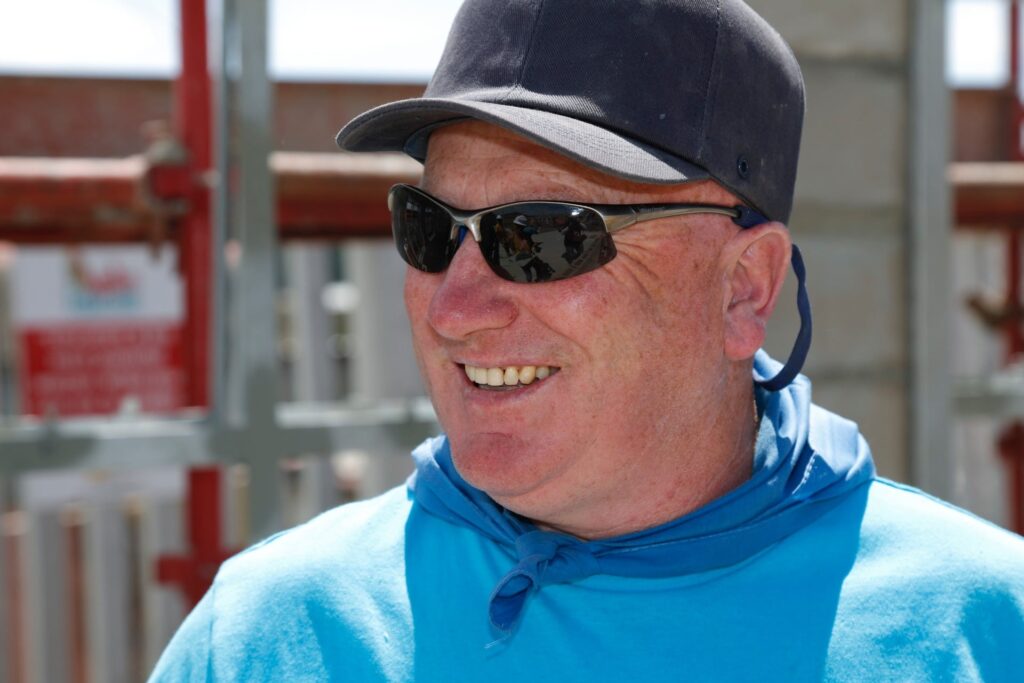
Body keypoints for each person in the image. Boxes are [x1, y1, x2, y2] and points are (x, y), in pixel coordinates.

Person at [150, 0, 1024, 680]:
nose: (456, 307)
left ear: (744, 287)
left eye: (543, 235)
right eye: (428, 227)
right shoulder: (271, 634)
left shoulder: (982, 628)